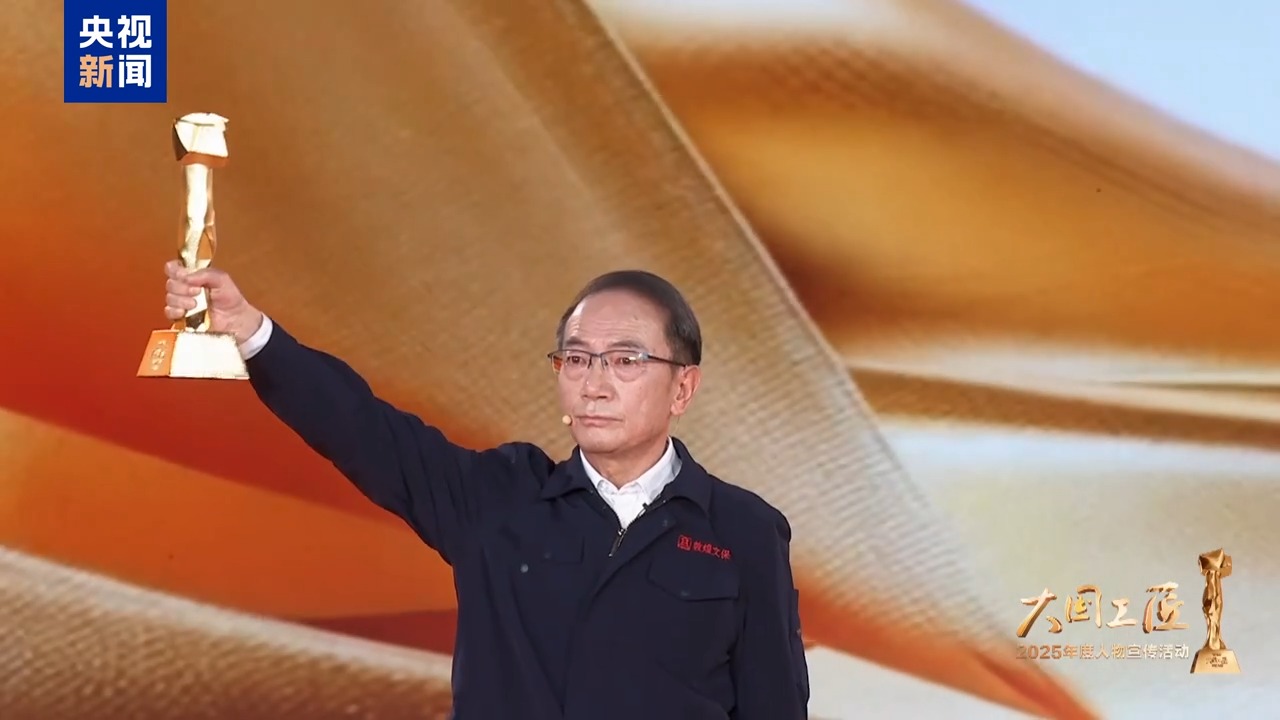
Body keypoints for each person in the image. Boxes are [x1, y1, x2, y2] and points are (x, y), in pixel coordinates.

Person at [163, 261, 810, 719]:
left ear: (683, 388)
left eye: (626, 360)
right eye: (576, 358)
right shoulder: (500, 500)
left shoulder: (744, 531)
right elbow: (362, 428)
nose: (595, 384)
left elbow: (774, 707)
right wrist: (252, 333)